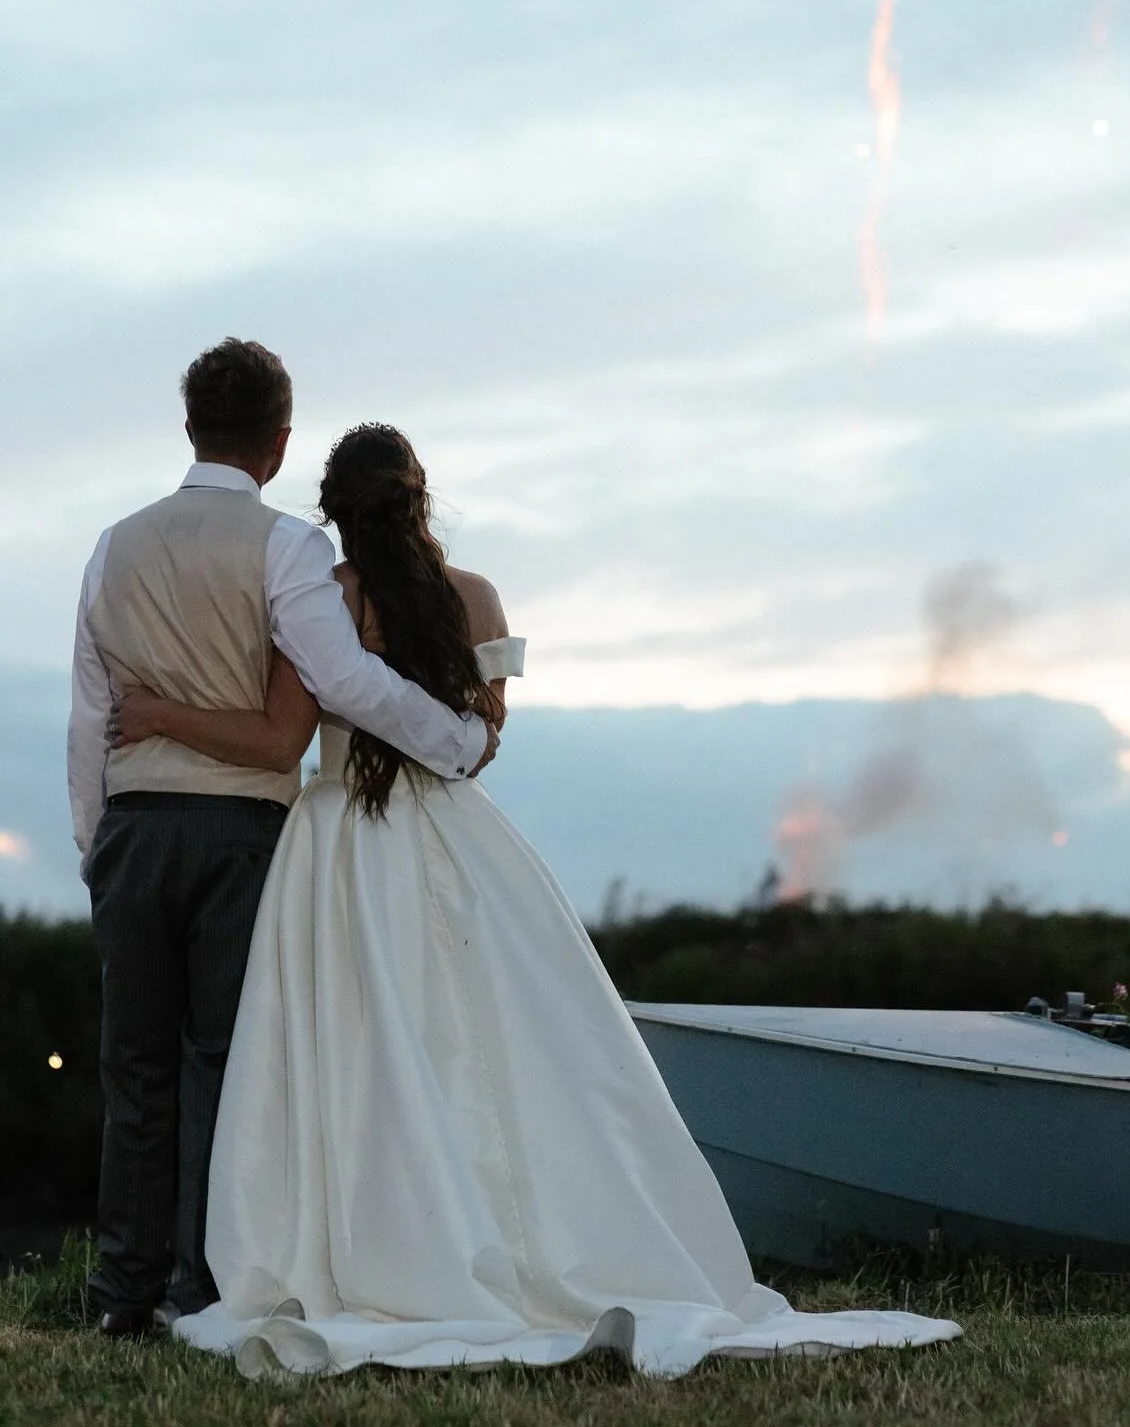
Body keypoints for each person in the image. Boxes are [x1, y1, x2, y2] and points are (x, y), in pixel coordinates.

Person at [110, 423, 961, 1379]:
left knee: (356, 1044)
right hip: (457, 839)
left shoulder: (330, 600)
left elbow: (284, 730)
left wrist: (154, 713)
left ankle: (377, 1238)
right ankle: (521, 1237)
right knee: (492, 1041)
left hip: (339, 840)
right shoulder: (472, 598)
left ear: (334, 513)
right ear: (421, 498)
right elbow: (485, 739)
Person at [69, 343, 499, 1339]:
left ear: (189, 429)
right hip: (239, 832)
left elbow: (91, 715)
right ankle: (204, 1286)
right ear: (278, 441)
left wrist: (99, 842)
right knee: (225, 1062)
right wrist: (457, 740)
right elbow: (342, 685)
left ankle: (119, 1298)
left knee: (132, 1069)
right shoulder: (287, 551)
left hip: (134, 828)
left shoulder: (111, 546)